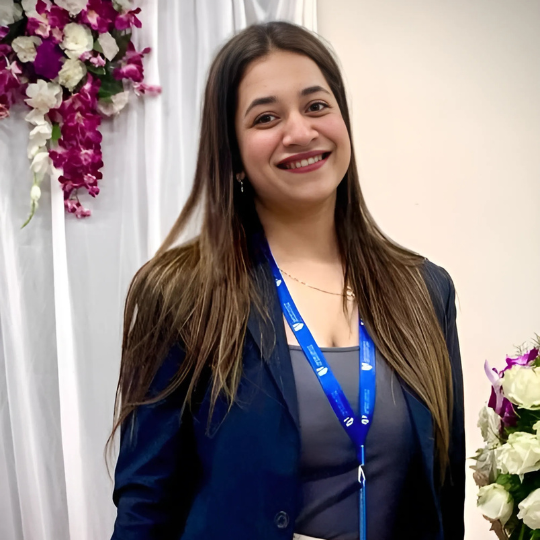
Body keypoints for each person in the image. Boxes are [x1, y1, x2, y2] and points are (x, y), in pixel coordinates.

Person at [109, 20, 465, 540]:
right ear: (232, 153)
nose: (299, 132)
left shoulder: (424, 290)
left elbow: (444, 494)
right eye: (266, 117)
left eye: (316, 106)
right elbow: (146, 505)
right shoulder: (183, 293)